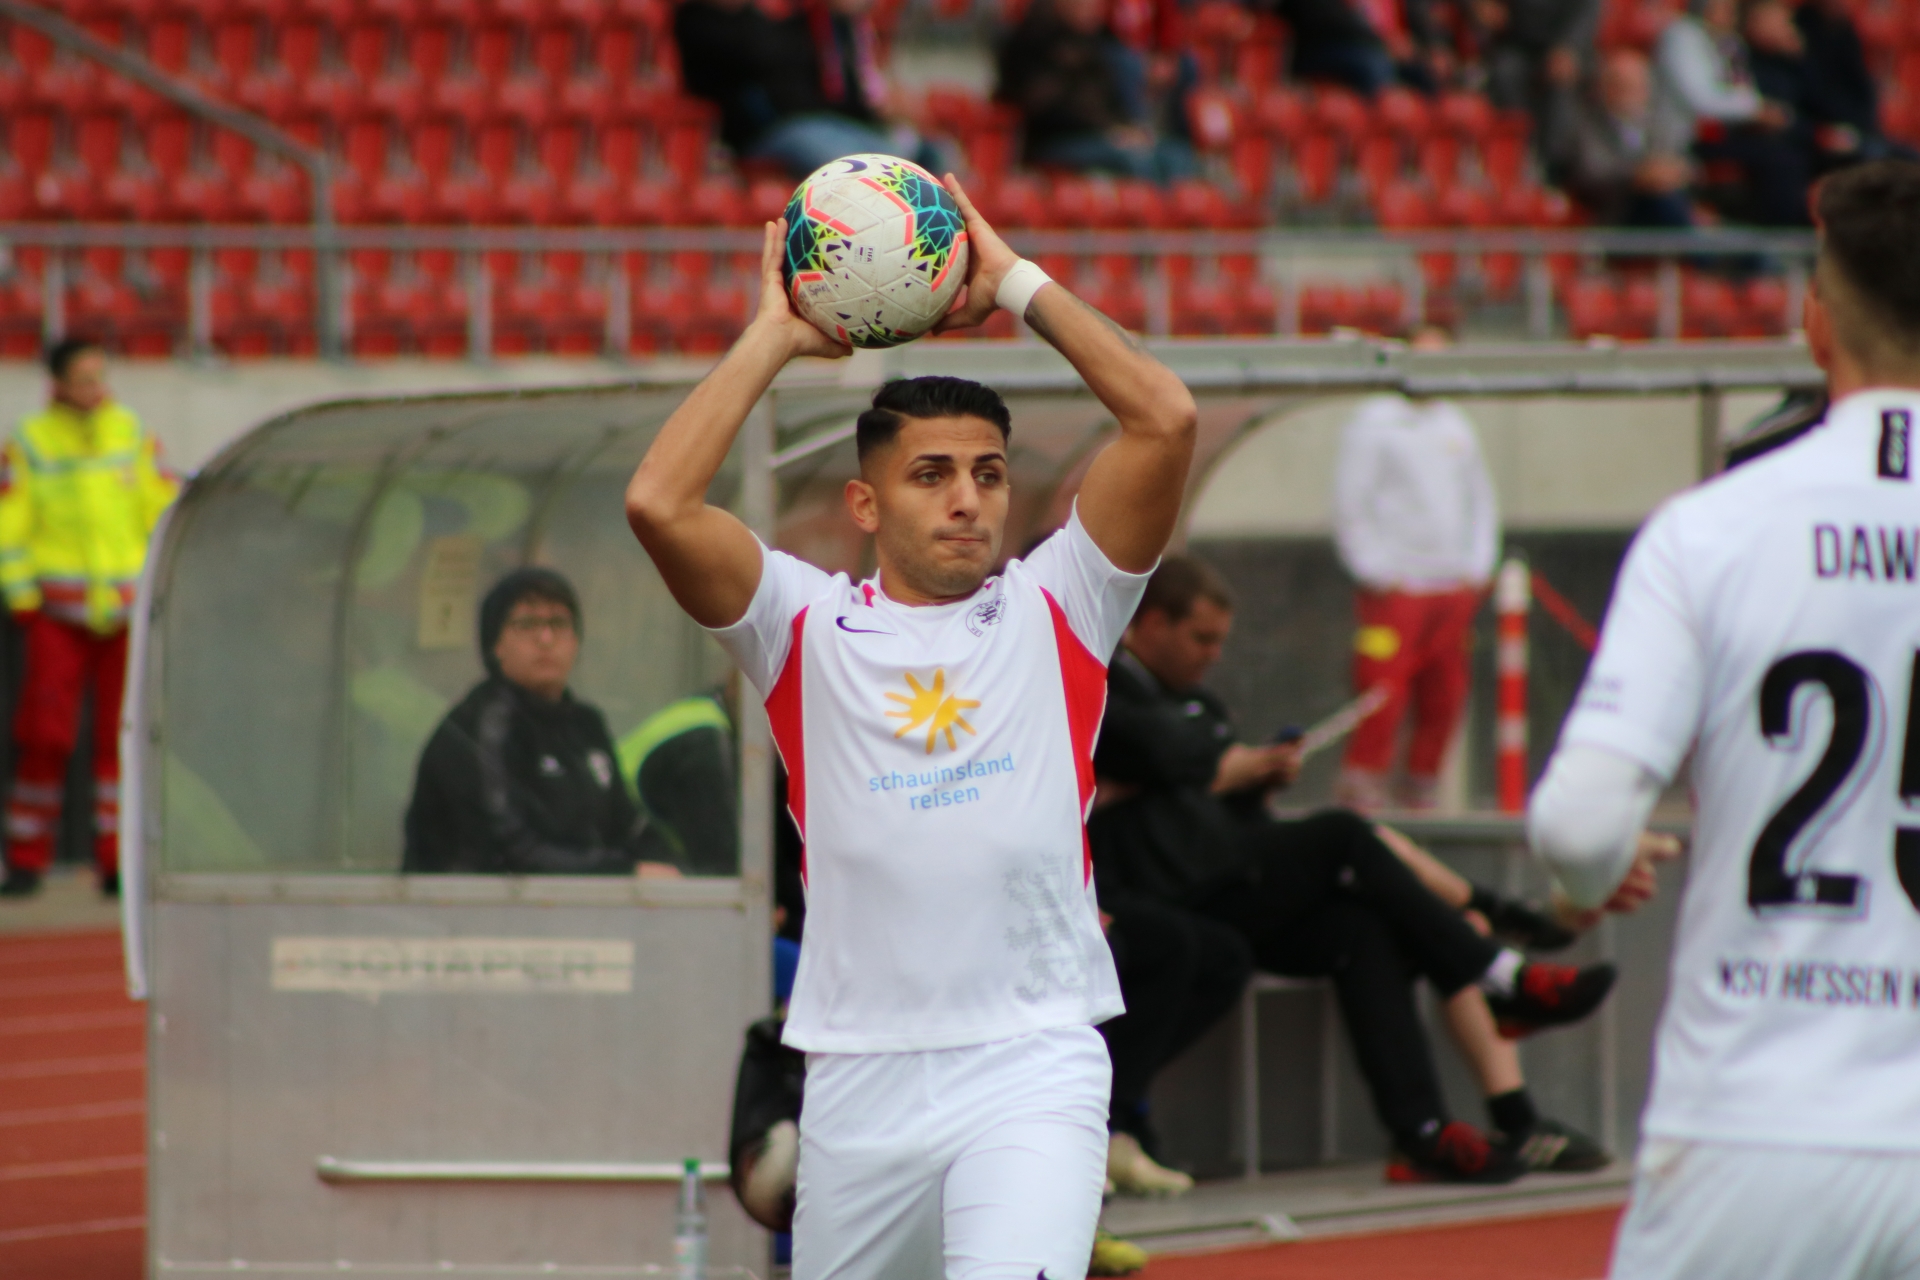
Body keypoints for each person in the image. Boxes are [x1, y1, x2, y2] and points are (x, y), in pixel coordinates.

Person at [624, 168, 1197, 1279]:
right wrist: (773, 336)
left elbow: (1164, 416)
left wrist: (1014, 281)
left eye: (988, 473)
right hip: (856, 1075)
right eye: (931, 474)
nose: (967, 498)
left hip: (1033, 1063)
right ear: (865, 503)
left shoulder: (1062, 603)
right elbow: (658, 503)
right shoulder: (800, 624)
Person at [1529, 159, 1920, 1279]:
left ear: (1816, 319)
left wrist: (1585, 881)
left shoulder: (1713, 530)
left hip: (1759, 1122)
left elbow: (1579, 824)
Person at [1092, 556, 1633, 1182]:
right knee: (1343, 834)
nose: (1213, 655)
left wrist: (1250, 776)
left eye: (1219, 641)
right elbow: (1162, 750)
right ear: (1152, 623)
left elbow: (1192, 774)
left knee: (1360, 929)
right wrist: (1218, 765)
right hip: (1169, 884)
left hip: (1219, 876)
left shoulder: (1198, 703)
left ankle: (1422, 1132)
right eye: (1201, 639)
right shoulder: (1107, 684)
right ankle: (1499, 966)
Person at [0, 336, 177, 899]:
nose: (96, 389)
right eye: (83, 379)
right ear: (57, 384)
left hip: (123, 614)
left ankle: (117, 859)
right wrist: (21, 595)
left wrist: (160, 581)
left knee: (119, 740)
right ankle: (26, 857)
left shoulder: (130, 432)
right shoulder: (30, 442)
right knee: (45, 736)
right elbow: (9, 521)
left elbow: (160, 506)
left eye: (100, 377)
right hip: (55, 616)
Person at [403, 568, 680, 877]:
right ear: (495, 645)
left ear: (576, 641)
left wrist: (673, 869)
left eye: (558, 624)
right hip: (474, 904)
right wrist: (624, 871)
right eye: (526, 625)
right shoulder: (480, 728)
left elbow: (629, 826)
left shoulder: (585, 724)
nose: (545, 639)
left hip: (580, 900)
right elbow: (509, 852)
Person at [1332, 389, 1498, 812]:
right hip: (1396, 588)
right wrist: (1374, 569)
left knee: (1446, 692)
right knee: (1382, 687)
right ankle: (1363, 782)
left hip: (1451, 586)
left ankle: (1422, 785)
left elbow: (1479, 498)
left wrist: (1476, 568)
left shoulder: (1455, 423)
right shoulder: (1373, 422)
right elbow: (1352, 498)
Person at [674, 0, 938, 180]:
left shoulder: (779, 23)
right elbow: (759, 57)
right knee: (849, 161)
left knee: (928, 151)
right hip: (768, 131)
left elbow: (836, 90)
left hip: (820, 121)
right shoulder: (699, 20)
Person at [995, 0, 1196, 185]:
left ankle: (1183, 211)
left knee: (1175, 155)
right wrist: (1108, 130)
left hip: (1100, 134)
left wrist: (1124, 128)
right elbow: (1048, 108)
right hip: (1055, 141)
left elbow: (1111, 99)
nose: (1094, 8)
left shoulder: (1096, 44)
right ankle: (1140, 213)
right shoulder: (1032, 40)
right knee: (1134, 161)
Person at [1653, 0, 1811, 226]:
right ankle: (1778, 236)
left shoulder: (1727, 41)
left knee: (1791, 146)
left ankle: (1772, 233)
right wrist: (1755, 109)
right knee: (1779, 160)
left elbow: (1743, 86)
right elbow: (1701, 100)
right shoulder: (1682, 35)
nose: (1730, 14)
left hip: (1726, 132)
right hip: (1683, 139)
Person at [1545, 48, 1698, 228]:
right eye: (1620, 85)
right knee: (1664, 200)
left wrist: (1676, 172)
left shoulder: (1662, 124)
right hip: (1613, 209)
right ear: (1602, 87)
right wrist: (1637, 176)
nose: (1629, 92)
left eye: (1635, 86)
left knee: (1667, 199)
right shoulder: (1584, 126)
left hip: (1664, 202)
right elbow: (1589, 172)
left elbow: (1687, 164)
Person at [616, 687, 739, 876]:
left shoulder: (700, 711)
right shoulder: (702, 745)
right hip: (619, 864)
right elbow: (719, 866)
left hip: (625, 857)